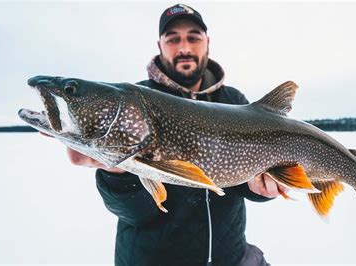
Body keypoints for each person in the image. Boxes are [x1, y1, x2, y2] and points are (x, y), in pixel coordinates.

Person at [63, 4, 288, 266]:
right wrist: (117, 175)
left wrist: (263, 189)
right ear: (160, 45)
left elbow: (240, 183)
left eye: (193, 37)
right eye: (173, 39)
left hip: (231, 257)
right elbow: (135, 213)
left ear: (207, 43)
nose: (184, 48)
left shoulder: (234, 101)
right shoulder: (133, 105)